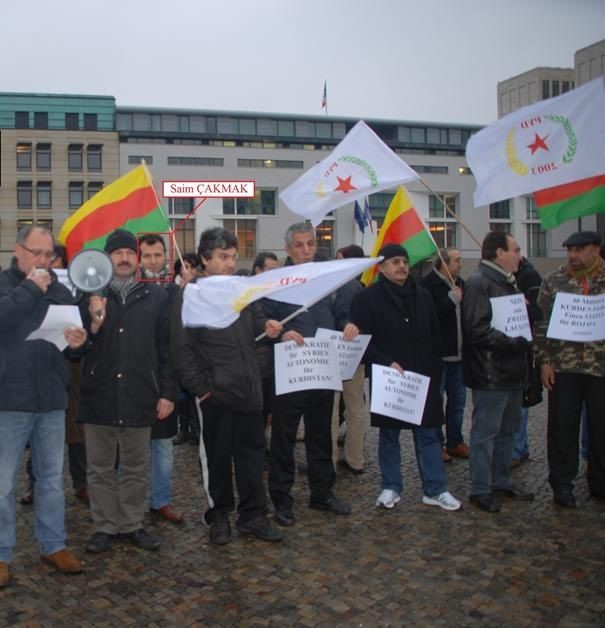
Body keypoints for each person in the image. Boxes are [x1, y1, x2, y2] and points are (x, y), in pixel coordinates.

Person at [173, 227, 283, 545]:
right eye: (223, 257)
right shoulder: (190, 294)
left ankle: (253, 515)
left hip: (249, 390)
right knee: (217, 458)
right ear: (204, 259)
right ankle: (218, 514)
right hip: (215, 395)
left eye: (233, 256)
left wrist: (267, 327)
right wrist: (203, 390)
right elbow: (181, 349)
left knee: (251, 456)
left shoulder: (240, 289)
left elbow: (256, 320)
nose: (230, 263)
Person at [0, 226, 88, 587]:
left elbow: (75, 348)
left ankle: (53, 545)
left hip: (51, 399)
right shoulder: (7, 285)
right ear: (18, 251)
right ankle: (2, 553)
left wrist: (78, 341)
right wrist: (29, 289)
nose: (42, 261)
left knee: (51, 479)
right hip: (9, 399)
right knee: (3, 483)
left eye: (47, 255)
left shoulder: (61, 289)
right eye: (35, 253)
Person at [79, 228, 176, 554]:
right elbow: (74, 350)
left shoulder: (157, 296)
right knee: (101, 468)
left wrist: (166, 392)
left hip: (139, 395)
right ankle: (105, 526)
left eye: (128, 253)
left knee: (136, 467)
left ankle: (132, 524)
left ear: (137, 258)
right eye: (116, 253)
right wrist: (93, 324)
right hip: (100, 396)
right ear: (107, 258)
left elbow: (165, 349)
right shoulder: (87, 295)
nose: (123, 258)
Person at [351, 244, 461, 512]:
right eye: (394, 261)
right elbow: (363, 342)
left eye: (404, 261)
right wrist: (386, 362)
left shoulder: (422, 296)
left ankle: (435, 489)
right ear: (382, 267)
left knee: (429, 435)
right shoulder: (367, 299)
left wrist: (433, 366)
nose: (401, 266)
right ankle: (391, 487)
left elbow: (434, 334)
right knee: (389, 435)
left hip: (422, 376)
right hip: (390, 377)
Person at [263, 223, 353, 527]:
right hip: (290, 371)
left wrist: (347, 325)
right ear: (288, 249)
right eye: (299, 246)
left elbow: (338, 312)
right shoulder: (277, 281)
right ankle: (281, 499)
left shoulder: (326, 278)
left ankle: (322, 492)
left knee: (320, 437)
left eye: (310, 245)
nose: (305, 251)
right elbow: (262, 316)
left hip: (322, 368)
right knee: (283, 439)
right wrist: (279, 331)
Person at [462, 231, 534, 513]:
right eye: (515, 249)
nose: (519, 255)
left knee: (507, 430)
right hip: (491, 372)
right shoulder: (480, 283)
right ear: (498, 253)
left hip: (510, 371)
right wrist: (513, 343)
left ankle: (501, 480)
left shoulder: (506, 283)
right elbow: (476, 330)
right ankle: (480, 488)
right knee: (485, 433)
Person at [534, 231, 605, 507]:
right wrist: (545, 361)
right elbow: (542, 325)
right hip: (565, 367)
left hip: (600, 367)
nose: (573, 255)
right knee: (562, 427)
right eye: (569, 250)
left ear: (596, 250)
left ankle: (599, 482)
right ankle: (562, 485)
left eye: (579, 250)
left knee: (601, 427)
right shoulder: (555, 281)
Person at [138, 234, 183, 523]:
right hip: (136, 381)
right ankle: (126, 506)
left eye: (158, 255)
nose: (154, 261)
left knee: (163, 449)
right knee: (130, 453)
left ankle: (160, 500)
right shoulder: (129, 288)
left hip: (165, 380)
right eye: (148, 255)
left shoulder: (175, 290)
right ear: (139, 258)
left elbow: (177, 343)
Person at [419, 247, 468, 462]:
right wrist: (449, 302)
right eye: (457, 260)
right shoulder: (426, 286)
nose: (461, 264)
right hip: (439, 357)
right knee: (436, 403)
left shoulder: (462, 284)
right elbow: (427, 319)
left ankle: (455, 441)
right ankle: (437, 445)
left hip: (460, 356)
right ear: (444, 263)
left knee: (458, 402)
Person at [332, 245, 366, 474]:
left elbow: (341, 318)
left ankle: (330, 460)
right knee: (356, 408)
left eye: (339, 258)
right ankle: (356, 459)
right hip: (357, 353)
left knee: (332, 409)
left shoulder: (343, 285)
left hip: (338, 351)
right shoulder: (362, 286)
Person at [511, 256, 543, 468]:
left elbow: (539, 312)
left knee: (521, 400)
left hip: (524, 346)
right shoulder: (509, 277)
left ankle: (517, 449)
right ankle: (519, 448)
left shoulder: (529, 276)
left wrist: (525, 306)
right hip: (513, 346)